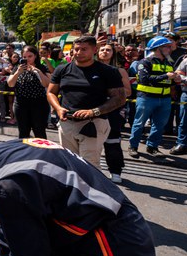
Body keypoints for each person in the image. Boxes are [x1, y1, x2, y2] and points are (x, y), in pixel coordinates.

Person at [0, 131, 156, 256]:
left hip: (113, 246)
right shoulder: (9, 150)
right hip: (120, 225)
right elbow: (14, 229)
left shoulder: (8, 187)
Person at [47, 36, 126, 168]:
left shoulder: (108, 71)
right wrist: (58, 108)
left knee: (89, 165)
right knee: (70, 162)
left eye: (84, 49)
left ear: (95, 50)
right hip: (67, 123)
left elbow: (119, 98)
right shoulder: (62, 69)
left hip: (94, 123)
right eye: (76, 49)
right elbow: (51, 92)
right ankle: (74, 188)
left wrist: (93, 112)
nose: (79, 52)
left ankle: (90, 188)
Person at [127, 36, 180, 160]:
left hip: (165, 98)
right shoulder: (145, 62)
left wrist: (175, 80)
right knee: (139, 124)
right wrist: (166, 76)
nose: (169, 48)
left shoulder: (169, 62)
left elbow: (169, 81)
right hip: (146, 98)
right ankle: (133, 146)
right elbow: (145, 80)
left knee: (159, 125)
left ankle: (152, 147)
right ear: (158, 48)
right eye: (166, 46)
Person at [98, 43, 132, 183]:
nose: (105, 52)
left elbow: (128, 92)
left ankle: (115, 171)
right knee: (91, 143)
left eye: (108, 50)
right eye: (102, 49)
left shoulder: (120, 71)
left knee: (112, 142)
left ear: (113, 53)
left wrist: (113, 93)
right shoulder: (91, 69)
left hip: (112, 110)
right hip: (93, 110)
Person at [7, 45, 50, 138]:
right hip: (21, 105)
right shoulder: (17, 68)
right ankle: (25, 152)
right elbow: (10, 84)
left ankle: (42, 152)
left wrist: (38, 72)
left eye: (30, 56)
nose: (27, 59)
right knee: (23, 133)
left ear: (35, 56)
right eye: (24, 57)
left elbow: (47, 84)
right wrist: (18, 72)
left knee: (39, 132)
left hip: (39, 105)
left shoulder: (42, 68)